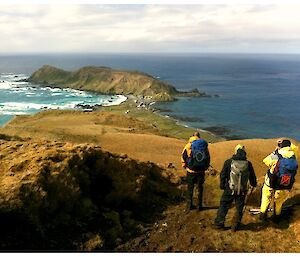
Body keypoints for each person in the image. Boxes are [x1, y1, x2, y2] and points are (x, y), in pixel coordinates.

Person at [214, 144, 257, 231]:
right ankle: (235, 226)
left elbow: (223, 175)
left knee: (224, 205)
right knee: (239, 207)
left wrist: (222, 185)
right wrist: (253, 184)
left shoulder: (228, 162)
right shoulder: (248, 164)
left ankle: (219, 224)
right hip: (242, 190)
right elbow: (252, 177)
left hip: (230, 188)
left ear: (235, 151)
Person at [259, 139, 298, 223]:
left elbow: (265, 161)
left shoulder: (277, 155)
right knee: (279, 201)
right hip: (283, 183)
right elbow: (296, 148)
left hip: (271, 181)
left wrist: (275, 151)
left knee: (266, 197)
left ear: (281, 146)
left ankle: (263, 215)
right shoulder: (294, 156)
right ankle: (276, 217)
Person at [181, 132, 210, 212]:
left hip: (191, 171)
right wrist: (205, 167)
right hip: (201, 171)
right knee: (199, 188)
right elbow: (207, 157)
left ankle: (189, 205)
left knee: (190, 188)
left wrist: (185, 165)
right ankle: (199, 206)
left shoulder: (189, 145)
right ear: (199, 137)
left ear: (193, 136)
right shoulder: (203, 146)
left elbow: (183, 156)